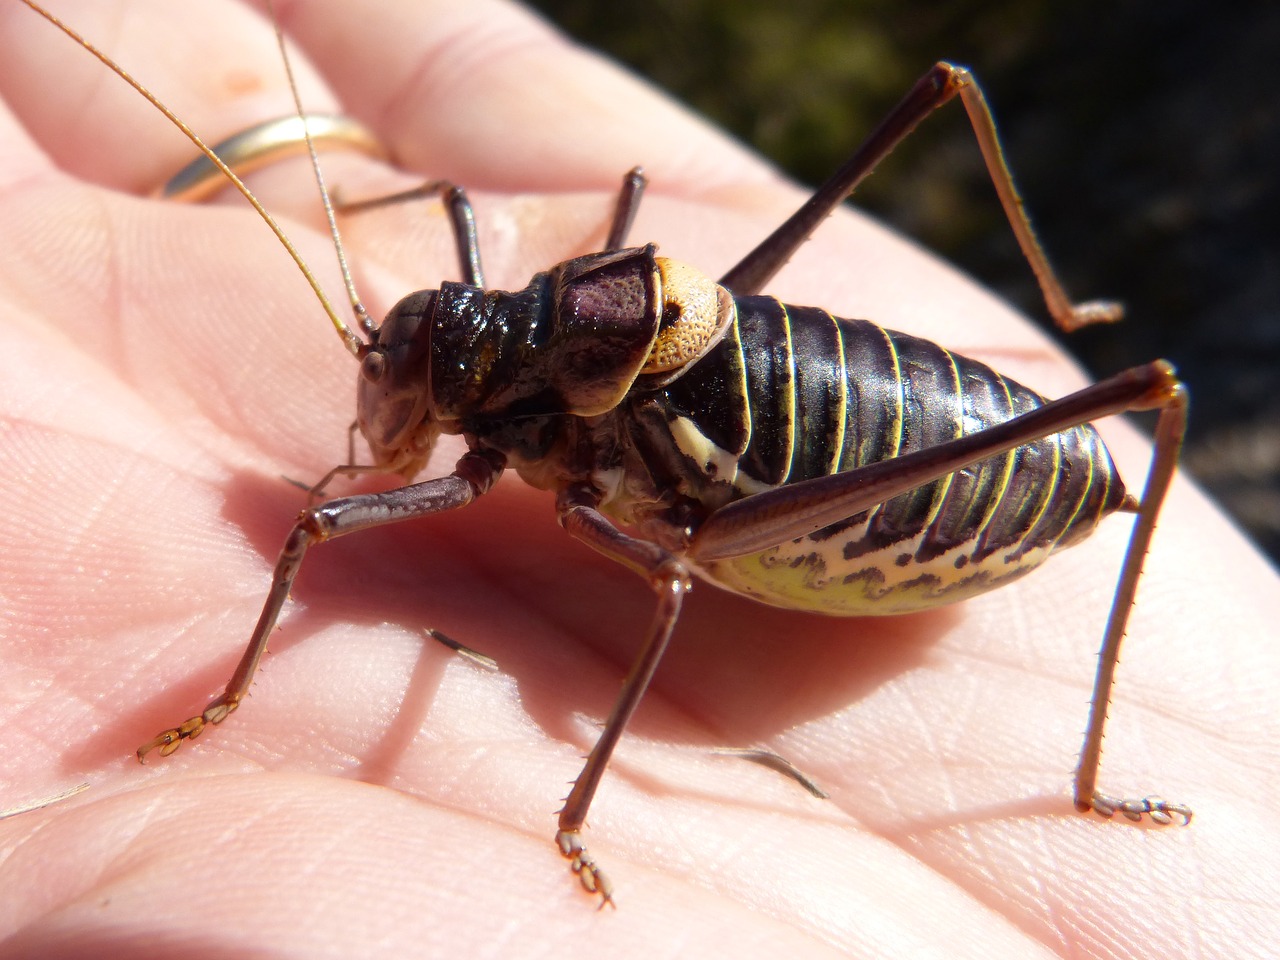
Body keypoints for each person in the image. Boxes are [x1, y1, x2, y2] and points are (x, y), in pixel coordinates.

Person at [1, 0, 1275, 955]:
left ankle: (1085, 779)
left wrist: (562, 824)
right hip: (760, 381)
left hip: (929, 486)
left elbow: (660, 583)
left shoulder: (534, 410)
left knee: (656, 575)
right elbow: (456, 197)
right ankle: (1061, 312)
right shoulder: (531, 337)